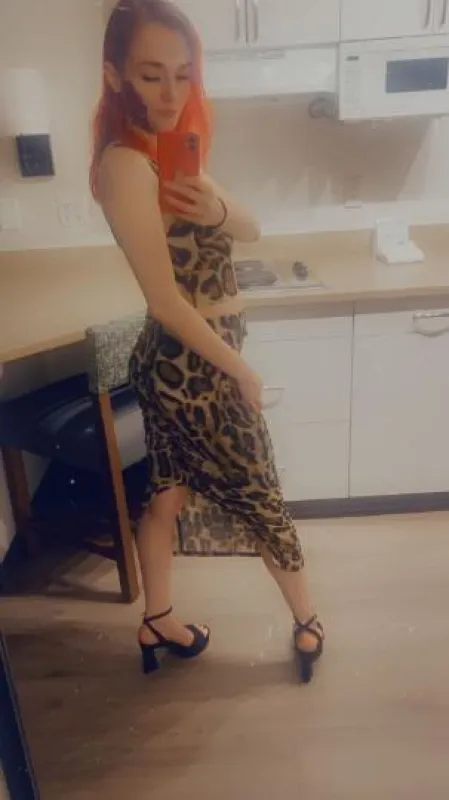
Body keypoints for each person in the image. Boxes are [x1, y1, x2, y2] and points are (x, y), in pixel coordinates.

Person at [90, 0, 324, 683]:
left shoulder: (171, 152)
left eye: (182, 74)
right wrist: (241, 371)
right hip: (192, 366)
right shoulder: (127, 166)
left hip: (189, 361)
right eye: (151, 75)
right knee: (260, 493)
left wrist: (214, 204)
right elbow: (165, 302)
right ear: (115, 76)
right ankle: (307, 618)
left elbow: (250, 228)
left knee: (167, 492)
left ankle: (157, 617)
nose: (170, 92)